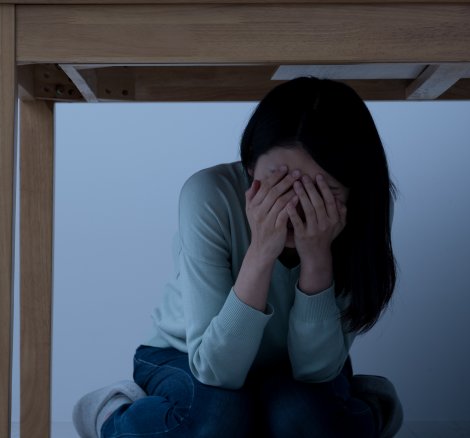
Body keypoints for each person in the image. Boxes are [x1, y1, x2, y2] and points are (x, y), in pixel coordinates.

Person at [73, 76, 403, 438]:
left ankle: (368, 407)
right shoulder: (209, 195)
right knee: (220, 420)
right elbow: (215, 370)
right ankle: (113, 414)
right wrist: (262, 249)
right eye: (281, 187)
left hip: (296, 364)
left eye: (322, 193)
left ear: (355, 189)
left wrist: (317, 259)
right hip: (186, 352)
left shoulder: (365, 209)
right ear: (249, 168)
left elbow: (315, 371)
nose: (295, 209)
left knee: (300, 417)